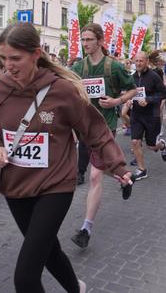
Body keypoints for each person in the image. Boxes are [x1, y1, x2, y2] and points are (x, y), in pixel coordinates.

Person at [0, 23, 132, 293]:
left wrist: (118, 166)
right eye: (3, 58)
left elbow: (95, 130)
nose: (9, 65)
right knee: (48, 250)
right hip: (16, 184)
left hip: (55, 185)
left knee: (26, 277)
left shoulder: (62, 90)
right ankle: (76, 288)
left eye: (15, 58)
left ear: (36, 54)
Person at [70, 23, 136, 250]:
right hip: (85, 127)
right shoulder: (79, 67)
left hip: (105, 127)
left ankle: (85, 229)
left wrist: (117, 101)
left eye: (89, 39)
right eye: (83, 40)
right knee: (102, 168)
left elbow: (133, 89)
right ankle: (125, 176)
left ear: (99, 41)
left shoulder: (113, 67)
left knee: (95, 176)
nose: (85, 43)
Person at [128, 51, 166, 181]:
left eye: (141, 61)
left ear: (146, 62)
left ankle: (161, 145)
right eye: (137, 61)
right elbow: (128, 92)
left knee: (151, 145)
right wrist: (127, 99)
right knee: (135, 141)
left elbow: (163, 94)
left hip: (151, 115)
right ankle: (142, 169)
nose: (138, 63)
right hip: (136, 114)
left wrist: (148, 100)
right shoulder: (132, 77)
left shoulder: (154, 76)